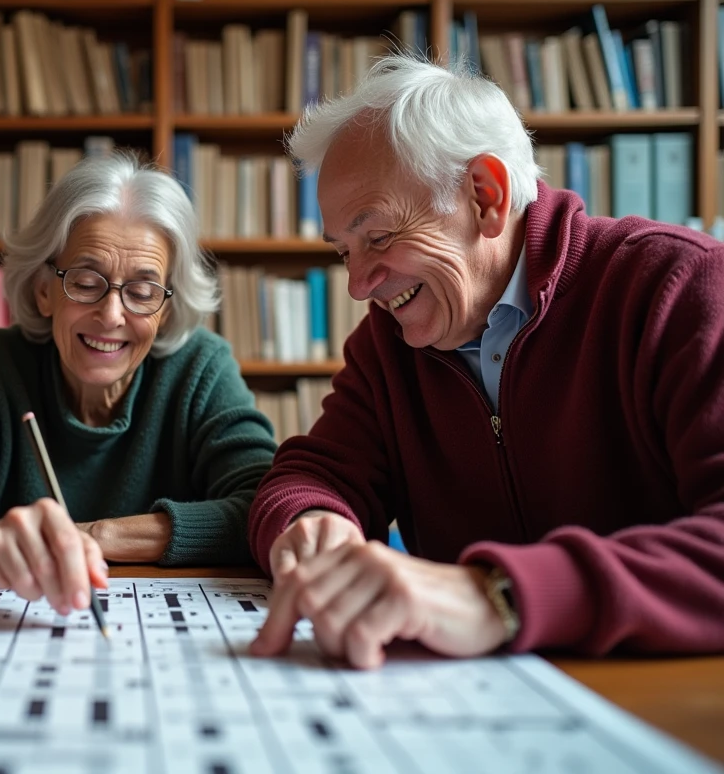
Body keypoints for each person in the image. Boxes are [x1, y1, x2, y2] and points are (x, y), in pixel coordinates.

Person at [247, 55, 724, 669]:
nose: (359, 287)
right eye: (345, 251)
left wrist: (496, 595)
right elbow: (315, 473)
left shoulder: (682, 287)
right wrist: (313, 524)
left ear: (485, 196)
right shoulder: (390, 342)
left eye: (380, 237)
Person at [0, 154, 277, 612]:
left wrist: (94, 534)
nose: (111, 315)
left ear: (166, 307)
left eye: (143, 292)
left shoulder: (200, 369)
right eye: (87, 282)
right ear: (44, 289)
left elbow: (264, 507)